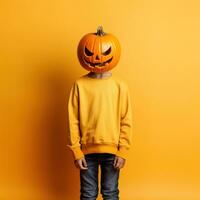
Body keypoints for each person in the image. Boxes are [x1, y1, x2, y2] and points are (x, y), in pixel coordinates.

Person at [66, 27, 133, 200]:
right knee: (88, 194)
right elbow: (72, 120)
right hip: (86, 152)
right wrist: (76, 151)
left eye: (104, 53)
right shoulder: (79, 85)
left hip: (113, 151)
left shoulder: (120, 86)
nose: (97, 58)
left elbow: (126, 119)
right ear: (83, 54)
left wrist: (123, 150)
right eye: (90, 53)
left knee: (110, 193)